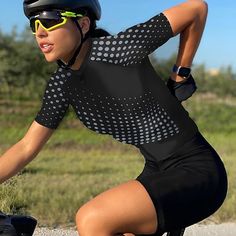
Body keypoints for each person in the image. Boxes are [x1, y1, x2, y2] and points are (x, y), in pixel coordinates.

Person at [0, 0, 228, 235]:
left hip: (197, 171)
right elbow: (27, 147)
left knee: (92, 219)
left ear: (84, 23)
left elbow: (196, 9)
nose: (40, 32)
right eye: (33, 24)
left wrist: (180, 74)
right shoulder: (62, 84)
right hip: (156, 173)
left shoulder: (119, 49)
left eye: (49, 20)